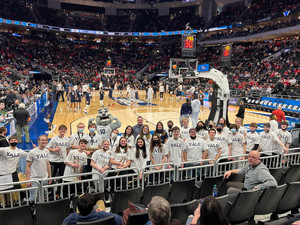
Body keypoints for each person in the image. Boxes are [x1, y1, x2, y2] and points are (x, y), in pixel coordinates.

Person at [0, 136, 28, 206]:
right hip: (2, 172)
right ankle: (4, 203)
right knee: (3, 188)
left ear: (17, 142)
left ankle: (22, 199)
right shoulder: (4, 150)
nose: (13, 141)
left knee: (17, 186)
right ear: (9, 142)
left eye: (15, 140)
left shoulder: (19, 151)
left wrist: (34, 149)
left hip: (13, 172)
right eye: (12, 140)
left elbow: (29, 155)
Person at [26, 135, 52, 203]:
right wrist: (28, 179)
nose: (44, 141)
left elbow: (48, 164)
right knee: (33, 197)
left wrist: (50, 176)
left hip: (44, 178)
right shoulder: (32, 152)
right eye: (42, 140)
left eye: (46, 140)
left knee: (42, 196)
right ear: (39, 141)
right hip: (34, 178)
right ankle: (31, 211)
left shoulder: (47, 151)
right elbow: (28, 166)